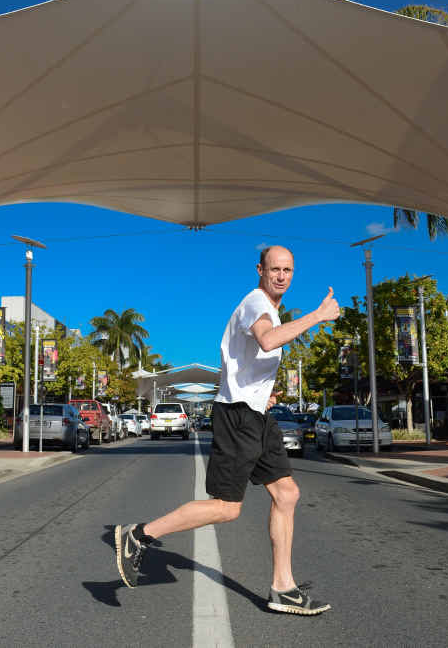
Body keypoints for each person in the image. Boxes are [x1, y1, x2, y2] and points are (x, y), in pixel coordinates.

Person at [114, 245, 340, 616]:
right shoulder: (256, 302)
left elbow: (244, 361)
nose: (282, 276)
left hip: (254, 414)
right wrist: (317, 315)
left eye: (288, 270)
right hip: (237, 418)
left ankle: (283, 588)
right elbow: (267, 339)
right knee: (227, 508)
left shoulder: (268, 307)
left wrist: (259, 395)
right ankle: (138, 535)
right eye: (275, 269)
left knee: (286, 494)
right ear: (260, 270)